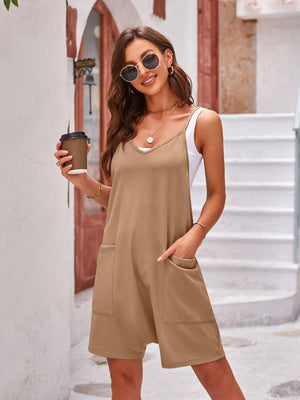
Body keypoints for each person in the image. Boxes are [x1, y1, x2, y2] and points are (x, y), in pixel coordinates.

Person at [55, 26, 245, 400]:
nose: (143, 71)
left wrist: (195, 235)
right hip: (119, 266)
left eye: (149, 59)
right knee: (123, 382)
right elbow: (124, 200)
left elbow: (217, 195)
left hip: (170, 260)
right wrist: (82, 181)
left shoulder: (202, 122)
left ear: (168, 57)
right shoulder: (123, 129)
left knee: (215, 375)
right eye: (130, 70)